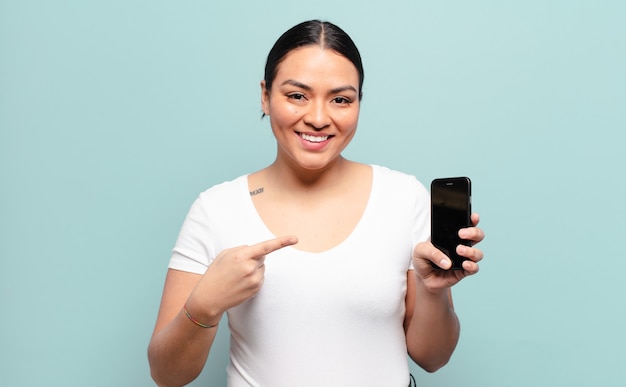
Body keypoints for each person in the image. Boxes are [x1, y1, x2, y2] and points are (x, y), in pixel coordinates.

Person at [148, 19, 485, 387]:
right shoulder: (216, 210)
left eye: (341, 99)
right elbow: (167, 375)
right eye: (297, 95)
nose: (319, 118)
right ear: (265, 95)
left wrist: (434, 293)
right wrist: (203, 306)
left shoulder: (405, 198)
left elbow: (433, 358)